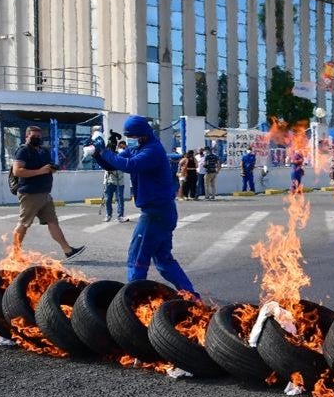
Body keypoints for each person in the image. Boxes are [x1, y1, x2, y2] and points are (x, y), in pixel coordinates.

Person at [90, 115, 196, 295]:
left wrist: (105, 151)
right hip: (163, 212)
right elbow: (112, 165)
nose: (133, 140)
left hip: (156, 213)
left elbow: (129, 165)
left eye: (135, 136)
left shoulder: (153, 150)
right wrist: (98, 153)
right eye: (130, 137)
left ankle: (132, 301)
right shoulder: (138, 148)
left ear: (144, 133)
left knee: (137, 259)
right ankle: (191, 297)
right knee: (164, 261)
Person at [11, 125, 85, 260]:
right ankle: (15, 254)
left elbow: (50, 165)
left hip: (44, 193)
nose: (37, 138)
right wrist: (40, 171)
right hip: (30, 194)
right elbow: (17, 171)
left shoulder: (43, 151)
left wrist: (52, 168)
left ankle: (68, 250)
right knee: (23, 224)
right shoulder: (23, 151)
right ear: (27, 136)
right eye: (34, 136)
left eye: (39, 136)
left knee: (52, 222)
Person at [101, 143, 129, 223]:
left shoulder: (119, 156)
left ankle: (120, 216)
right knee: (108, 199)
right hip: (109, 181)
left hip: (119, 181)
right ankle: (108, 215)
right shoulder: (106, 157)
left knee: (120, 199)